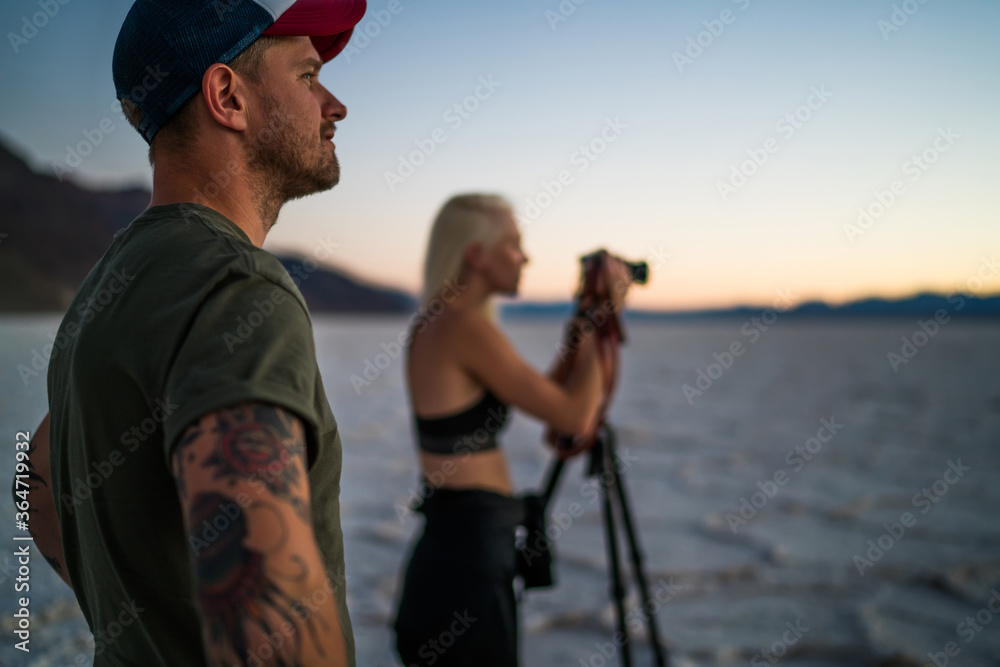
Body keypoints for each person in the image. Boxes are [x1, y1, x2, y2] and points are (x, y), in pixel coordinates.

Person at [16, 0, 367, 664]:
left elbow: (27, 474)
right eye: (308, 76)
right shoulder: (234, 287)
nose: (335, 104)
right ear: (227, 96)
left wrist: (125, 614)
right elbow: (265, 608)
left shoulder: (107, 288)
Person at [392, 194, 632, 666]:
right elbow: (573, 417)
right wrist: (604, 317)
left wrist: (586, 323)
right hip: (470, 553)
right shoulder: (462, 327)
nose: (526, 257)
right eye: (514, 245)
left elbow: (545, 394)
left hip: (457, 542)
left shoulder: (440, 322)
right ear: (477, 254)